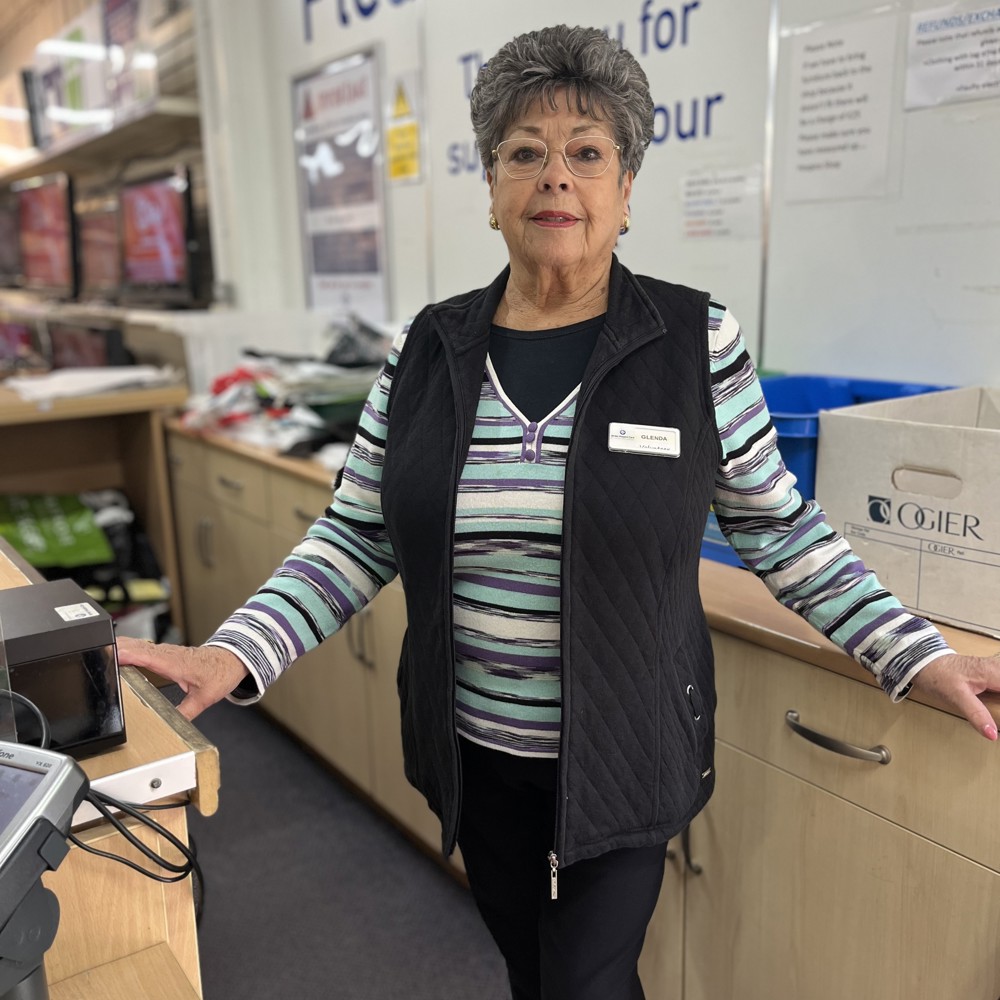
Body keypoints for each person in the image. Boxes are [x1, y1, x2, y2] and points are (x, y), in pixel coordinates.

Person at [118, 24, 1000, 1000]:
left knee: (583, 977)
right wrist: (232, 650)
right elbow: (354, 535)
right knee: (531, 967)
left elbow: (780, 529)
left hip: (626, 750)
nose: (555, 178)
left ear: (625, 192)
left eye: (586, 153)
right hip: (470, 749)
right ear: (491, 187)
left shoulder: (692, 343)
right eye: (524, 154)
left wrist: (915, 653)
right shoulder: (428, 348)